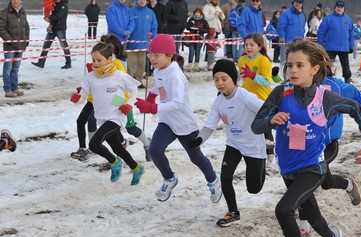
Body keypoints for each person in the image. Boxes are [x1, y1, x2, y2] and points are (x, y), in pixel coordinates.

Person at [251, 38, 361, 237]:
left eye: (300, 65)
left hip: (313, 167)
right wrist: (271, 121)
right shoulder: (280, 94)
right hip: (288, 168)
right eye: (289, 65)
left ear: (314, 69)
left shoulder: (325, 98)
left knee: (284, 210)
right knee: (315, 218)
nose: (292, 70)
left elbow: (356, 109)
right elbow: (256, 124)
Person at [297, 63, 361, 237]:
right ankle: (349, 184)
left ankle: (304, 228)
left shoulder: (335, 86)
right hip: (305, 145)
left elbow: (356, 96)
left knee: (305, 179)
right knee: (325, 183)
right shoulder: (299, 84)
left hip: (328, 145)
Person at [134, 34, 221, 203]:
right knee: (155, 149)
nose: (152, 58)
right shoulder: (159, 68)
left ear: (169, 55)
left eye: (156, 55)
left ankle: (214, 181)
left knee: (196, 158)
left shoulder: (176, 75)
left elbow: (178, 103)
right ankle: (169, 178)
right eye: (150, 54)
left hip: (184, 124)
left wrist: (153, 107)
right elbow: (159, 84)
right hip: (167, 121)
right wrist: (152, 95)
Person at [188, 59, 266, 226]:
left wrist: (266, 128)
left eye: (224, 79)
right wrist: (198, 140)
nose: (220, 83)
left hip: (253, 145)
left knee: (254, 188)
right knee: (226, 177)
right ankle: (233, 212)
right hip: (234, 144)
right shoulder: (219, 101)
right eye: (216, 79)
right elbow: (209, 126)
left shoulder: (244, 96)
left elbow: (266, 109)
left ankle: (264, 160)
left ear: (233, 78)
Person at [70, 42, 145, 186]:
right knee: (117, 148)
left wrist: (128, 104)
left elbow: (134, 90)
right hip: (102, 117)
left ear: (110, 59)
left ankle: (114, 162)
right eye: (93, 60)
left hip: (117, 116)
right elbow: (82, 97)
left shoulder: (119, 75)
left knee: (94, 144)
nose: (96, 64)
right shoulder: (90, 77)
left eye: (99, 60)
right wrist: (77, 98)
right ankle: (137, 168)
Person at [238, 33, 275, 163]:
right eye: (246, 44)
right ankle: (253, 151)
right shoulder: (242, 60)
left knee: (265, 127)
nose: (248, 47)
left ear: (260, 47)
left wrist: (253, 75)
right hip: (247, 99)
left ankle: (270, 151)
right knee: (250, 125)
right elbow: (240, 78)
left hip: (263, 100)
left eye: (252, 45)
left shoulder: (264, 61)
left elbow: (266, 81)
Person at [317, 1, 354, 84]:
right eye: (338, 7)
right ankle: (327, 82)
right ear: (335, 7)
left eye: (341, 7)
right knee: (327, 66)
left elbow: (351, 34)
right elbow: (321, 32)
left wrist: (351, 46)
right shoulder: (328, 18)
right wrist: (320, 45)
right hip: (330, 47)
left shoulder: (348, 20)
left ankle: (347, 83)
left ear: (344, 9)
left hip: (344, 48)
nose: (339, 8)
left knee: (346, 67)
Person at [0, 0, 30, 98]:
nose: (16, 1)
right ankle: (8, 89)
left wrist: (26, 40)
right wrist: (10, 40)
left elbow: (26, 27)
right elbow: (1, 28)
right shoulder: (5, 12)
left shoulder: (22, 11)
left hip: (20, 45)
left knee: (15, 68)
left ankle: (14, 87)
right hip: (10, 46)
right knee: (8, 68)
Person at [31, 0, 71, 70]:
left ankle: (68, 63)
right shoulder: (54, 4)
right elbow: (49, 12)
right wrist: (46, 17)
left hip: (60, 28)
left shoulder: (64, 6)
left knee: (64, 45)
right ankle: (41, 62)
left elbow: (59, 15)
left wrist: (49, 19)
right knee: (46, 45)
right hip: (52, 28)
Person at [127, 0, 157, 88]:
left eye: (144, 0)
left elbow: (154, 26)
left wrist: (153, 38)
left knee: (141, 63)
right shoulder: (131, 11)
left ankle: (139, 81)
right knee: (130, 64)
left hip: (144, 43)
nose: (142, 1)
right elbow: (127, 24)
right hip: (132, 43)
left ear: (146, 1)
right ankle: (129, 82)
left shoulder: (150, 13)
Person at [277, 0, 306, 70]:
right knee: (285, 64)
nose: (298, 4)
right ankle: (284, 78)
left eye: (300, 3)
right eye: (296, 2)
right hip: (287, 43)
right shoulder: (286, 13)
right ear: (293, 2)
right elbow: (281, 26)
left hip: (299, 44)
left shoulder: (302, 14)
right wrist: (282, 37)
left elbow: (303, 28)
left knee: (297, 64)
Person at [186, 7, 209, 72]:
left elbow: (207, 29)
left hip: (199, 38)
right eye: (196, 12)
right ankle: (190, 67)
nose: (197, 14)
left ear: (201, 13)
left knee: (197, 53)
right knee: (191, 52)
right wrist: (191, 26)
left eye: (198, 12)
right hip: (192, 38)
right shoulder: (191, 19)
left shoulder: (204, 21)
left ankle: (196, 67)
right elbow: (187, 27)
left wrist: (201, 30)